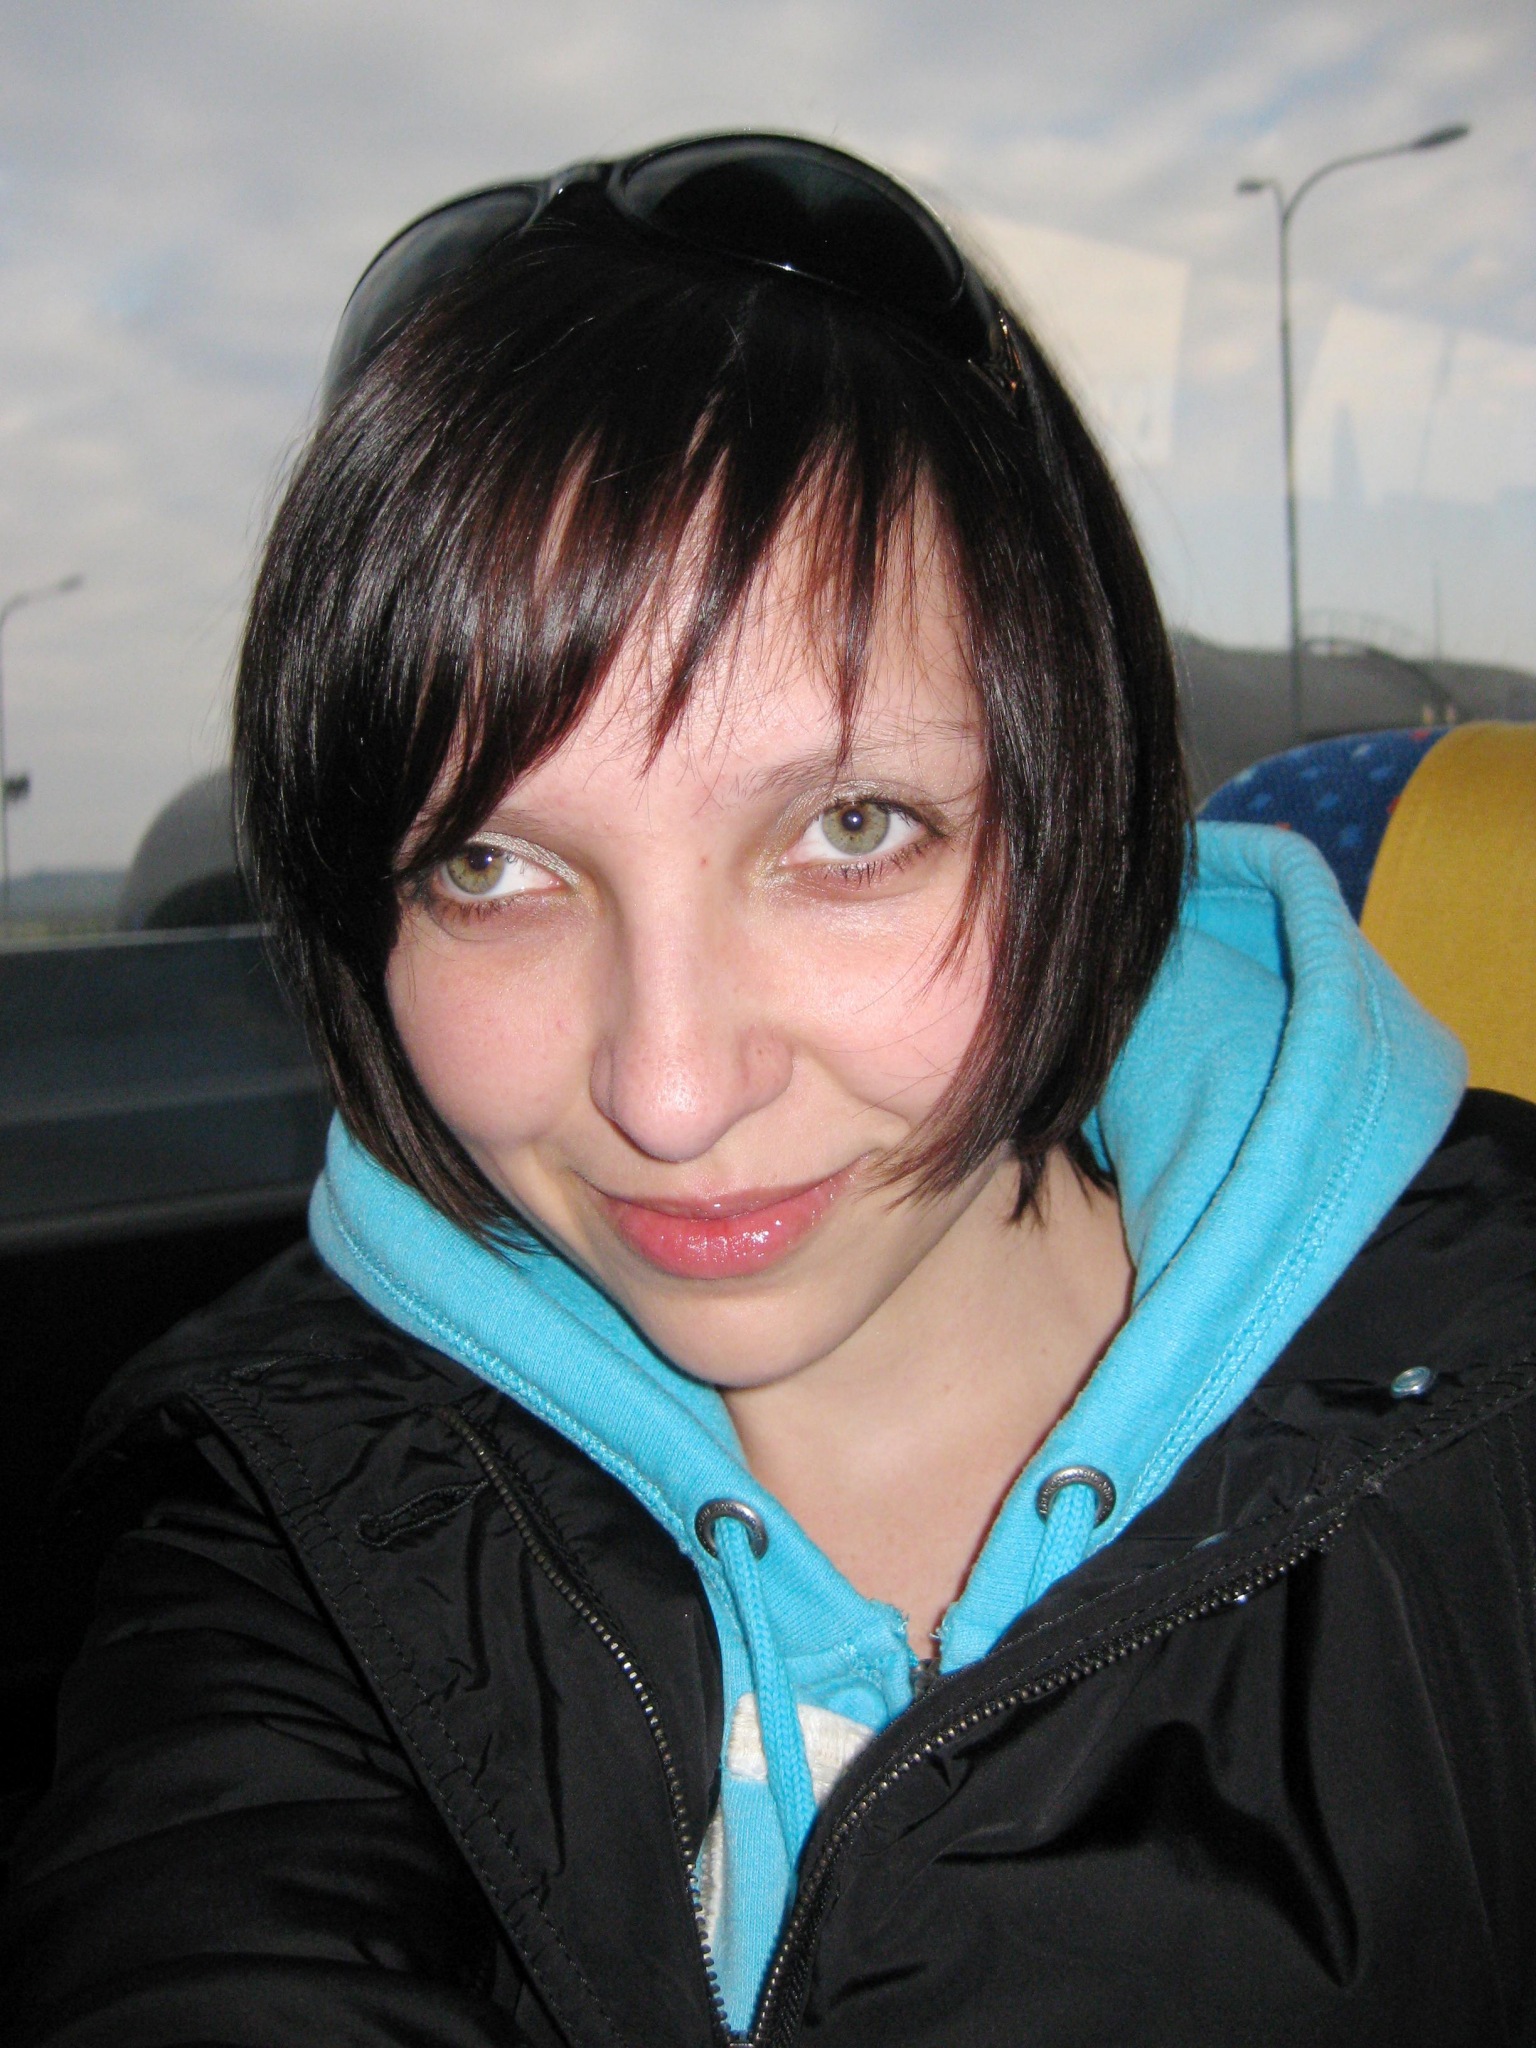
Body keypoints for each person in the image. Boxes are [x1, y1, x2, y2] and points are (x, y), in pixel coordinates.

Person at [5, 135, 1534, 2048]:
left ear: (1080, 797)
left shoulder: (1494, 1383)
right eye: (490, 864)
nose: (667, 1091)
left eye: (852, 828)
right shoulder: (287, 1494)